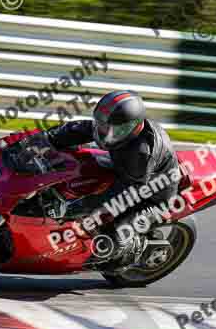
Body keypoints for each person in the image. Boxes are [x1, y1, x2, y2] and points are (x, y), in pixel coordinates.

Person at [46, 90, 179, 259]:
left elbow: (125, 194)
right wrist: (45, 138)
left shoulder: (140, 153)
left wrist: (79, 206)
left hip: (152, 194)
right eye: (102, 124)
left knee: (118, 232)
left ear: (131, 127)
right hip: (127, 172)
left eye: (110, 128)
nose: (103, 131)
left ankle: (127, 253)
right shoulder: (115, 130)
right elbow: (79, 129)